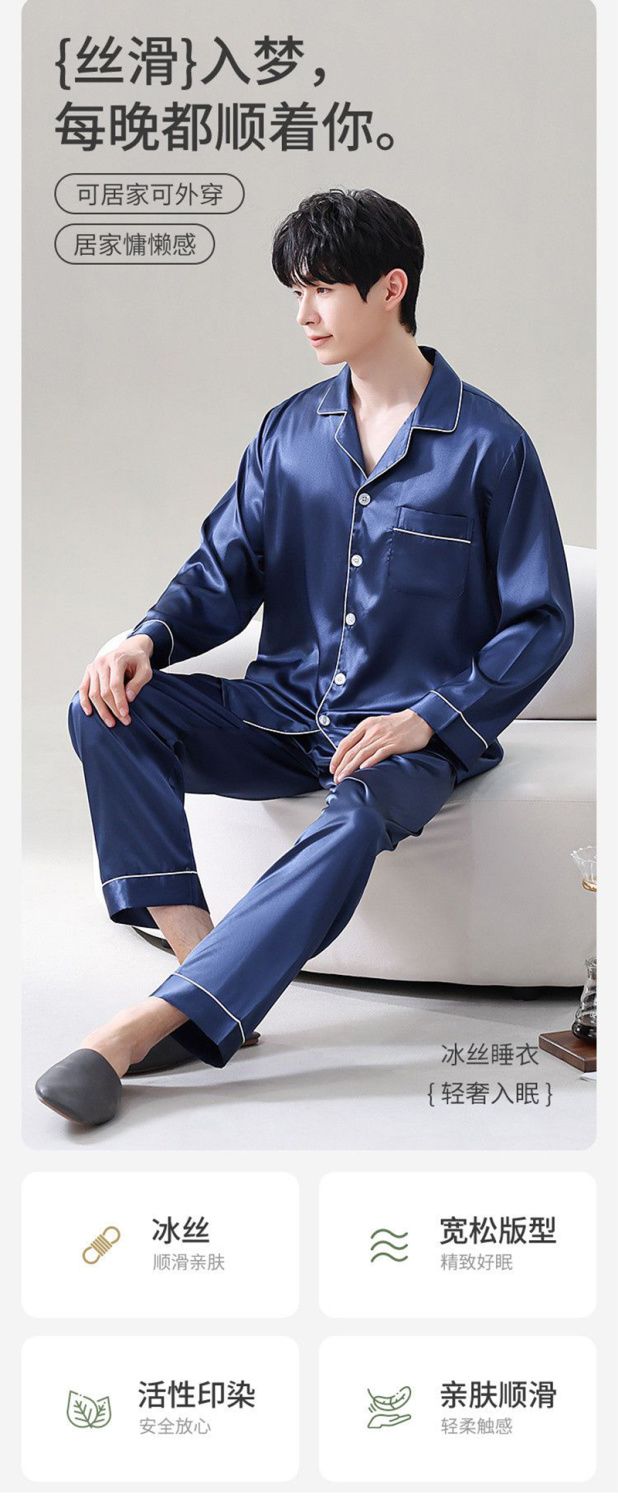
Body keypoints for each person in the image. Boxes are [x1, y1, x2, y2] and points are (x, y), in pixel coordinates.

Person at [35, 187, 575, 1127]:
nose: (304, 314)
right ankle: (201, 966)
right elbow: (223, 570)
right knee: (107, 707)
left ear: (392, 288)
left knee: (358, 813)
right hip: (280, 710)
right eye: (297, 290)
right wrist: (144, 638)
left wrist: (431, 719)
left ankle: (144, 1026)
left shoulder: (490, 445)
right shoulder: (289, 431)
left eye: (323, 288)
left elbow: (541, 619)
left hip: (402, 734)